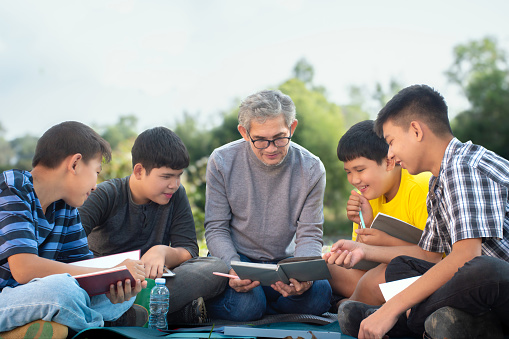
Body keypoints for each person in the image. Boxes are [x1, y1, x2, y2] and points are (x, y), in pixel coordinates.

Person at [325, 84, 509, 338]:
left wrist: (391, 308)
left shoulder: (463, 166)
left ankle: (401, 321)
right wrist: (364, 247)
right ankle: (457, 324)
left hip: (498, 281)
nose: (390, 153)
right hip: (479, 291)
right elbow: (429, 256)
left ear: (415, 131)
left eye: (391, 141)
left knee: (485, 269)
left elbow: (467, 257)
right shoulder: (438, 181)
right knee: (401, 267)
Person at [0, 121, 147, 338]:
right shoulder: (12, 187)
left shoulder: (66, 207)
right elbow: (24, 269)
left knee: (116, 293)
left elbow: (82, 269)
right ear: (76, 163)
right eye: (96, 171)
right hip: (8, 297)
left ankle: (56, 326)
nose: (96, 185)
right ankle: (96, 326)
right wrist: (104, 273)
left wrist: (114, 281)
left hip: (36, 296)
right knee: (63, 290)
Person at [204, 89, 332, 322]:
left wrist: (303, 276)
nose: (271, 148)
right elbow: (216, 228)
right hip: (239, 261)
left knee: (320, 293)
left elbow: (310, 233)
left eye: (280, 137)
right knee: (248, 306)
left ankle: (264, 306)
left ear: (292, 128)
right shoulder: (222, 161)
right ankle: (267, 307)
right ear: (244, 132)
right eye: (261, 139)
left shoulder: (312, 168)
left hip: (285, 266)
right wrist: (234, 267)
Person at [79, 126, 228, 325]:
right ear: (139, 171)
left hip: (154, 284)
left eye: (178, 175)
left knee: (216, 267)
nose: (174, 184)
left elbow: (189, 250)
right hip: (111, 289)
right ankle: (156, 313)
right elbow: (71, 249)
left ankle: (133, 314)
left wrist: (162, 252)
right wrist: (115, 272)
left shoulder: (176, 194)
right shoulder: (106, 195)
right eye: (166, 176)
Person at [328, 120, 430, 307]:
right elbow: (363, 259)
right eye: (348, 172)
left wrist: (380, 240)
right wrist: (364, 225)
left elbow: (433, 257)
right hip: (380, 275)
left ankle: (352, 303)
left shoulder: (420, 187)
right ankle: (363, 301)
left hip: (424, 276)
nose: (354, 180)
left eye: (360, 170)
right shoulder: (366, 194)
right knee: (328, 267)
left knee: (379, 277)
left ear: (389, 162)